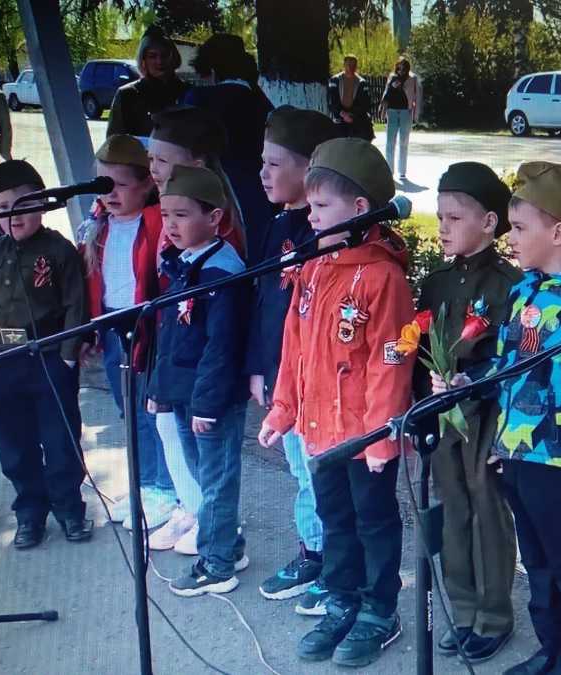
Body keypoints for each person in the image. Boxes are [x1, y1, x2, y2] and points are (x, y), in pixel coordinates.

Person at [438, 162, 561, 675]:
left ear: (558, 232)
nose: (510, 238)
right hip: (519, 452)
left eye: (520, 229)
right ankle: (551, 649)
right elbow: (510, 365)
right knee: (538, 564)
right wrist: (470, 384)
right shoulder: (526, 290)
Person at [258, 138, 415, 667]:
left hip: (362, 435)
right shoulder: (314, 266)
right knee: (335, 519)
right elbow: (294, 345)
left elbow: (391, 360)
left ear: (359, 209)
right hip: (319, 430)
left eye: (321, 207)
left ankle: (379, 610)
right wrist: (283, 410)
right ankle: (342, 598)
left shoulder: (382, 276)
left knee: (373, 522)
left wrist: (381, 436)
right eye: (311, 205)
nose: (310, 215)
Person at [415, 162, 520, 663]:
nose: (443, 228)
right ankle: (462, 609)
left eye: (455, 218)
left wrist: (471, 386)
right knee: (452, 508)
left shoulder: (508, 285)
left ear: (490, 222)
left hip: (485, 415)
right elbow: (412, 343)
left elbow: (513, 355)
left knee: (487, 514)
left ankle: (495, 615)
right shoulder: (435, 283)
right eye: (439, 217)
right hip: (443, 416)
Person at [0, 159, 91, 549]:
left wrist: (68, 356)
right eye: (2, 208)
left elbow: (75, 304)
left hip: (48, 356)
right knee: (14, 444)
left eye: (22, 204)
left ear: (41, 205)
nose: (12, 216)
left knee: (59, 441)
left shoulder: (58, 250)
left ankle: (70, 509)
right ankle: (29, 514)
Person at [144, 165, 249, 596]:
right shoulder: (183, 264)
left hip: (212, 400)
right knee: (204, 477)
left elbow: (221, 348)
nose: (170, 225)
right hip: (184, 392)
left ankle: (218, 563)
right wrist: (159, 391)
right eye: (166, 215)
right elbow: (169, 337)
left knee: (217, 481)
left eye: (182, 215)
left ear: (216, 219)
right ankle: (228, 545)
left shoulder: (221, 273)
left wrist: (207, 405)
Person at [251, 106, 336, 611]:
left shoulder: (329, 232)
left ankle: (330, 557)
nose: (262, 173)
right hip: (282, 378)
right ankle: (313, 551)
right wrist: (260, 369)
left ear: (310, 170)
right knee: (299, 470)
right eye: (262, 162)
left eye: (274, 163)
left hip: (319, 379)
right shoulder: (276, 226)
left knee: (318, 472)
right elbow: (264, 303)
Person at [76, 134, 181, 534]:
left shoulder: (154, 222)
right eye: (103, 184)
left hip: (144, 328)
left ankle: (163, 488)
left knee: (150, 413)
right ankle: (144, 483)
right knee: (128, 410)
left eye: (119, 184)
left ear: (147, 184)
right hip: (111, 325)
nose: (110, 193)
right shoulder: (97, 226)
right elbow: (90, 280)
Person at [184, 33, 276, 265]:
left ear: (212, 70)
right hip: (263, 194)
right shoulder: (263, 103)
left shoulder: (199, 100)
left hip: (216, 196)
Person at [147, 106, 246, 259]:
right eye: (151, 159)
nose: (153, 169)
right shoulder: (158, 209)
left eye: (162, 160)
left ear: (197, 166)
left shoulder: (214, 226)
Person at [106, 25, 188, 140]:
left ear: (173, 57)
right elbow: (113, 143)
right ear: (143, 60)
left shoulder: (188, 91)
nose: (159, 61)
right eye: (152, 56)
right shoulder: (127, 95)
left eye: (164, 55)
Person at [379, 56, 421, 181]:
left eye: (403, 68)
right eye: (399, 67)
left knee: (403, 142)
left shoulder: (413, 78)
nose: (401, 70)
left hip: (405, 112)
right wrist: (382, 110)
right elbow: (386, 94)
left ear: (407, 68)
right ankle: (389, 170)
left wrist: (416, 114)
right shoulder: (392, 77)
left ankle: (402, 171)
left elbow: (417, 97)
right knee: (390, 143)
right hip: (392, 112)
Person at [328, 55, 375, 142]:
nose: (350, 67)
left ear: (356, 66)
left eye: (353, 65)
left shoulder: (362, 82)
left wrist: (352, 115)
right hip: (339, 119)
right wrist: (342, 114)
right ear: (344, 65)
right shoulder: (335, 80)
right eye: (348, 64)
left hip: (355, 119)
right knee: (340, 145)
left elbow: (365, 103)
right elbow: (332, 100)